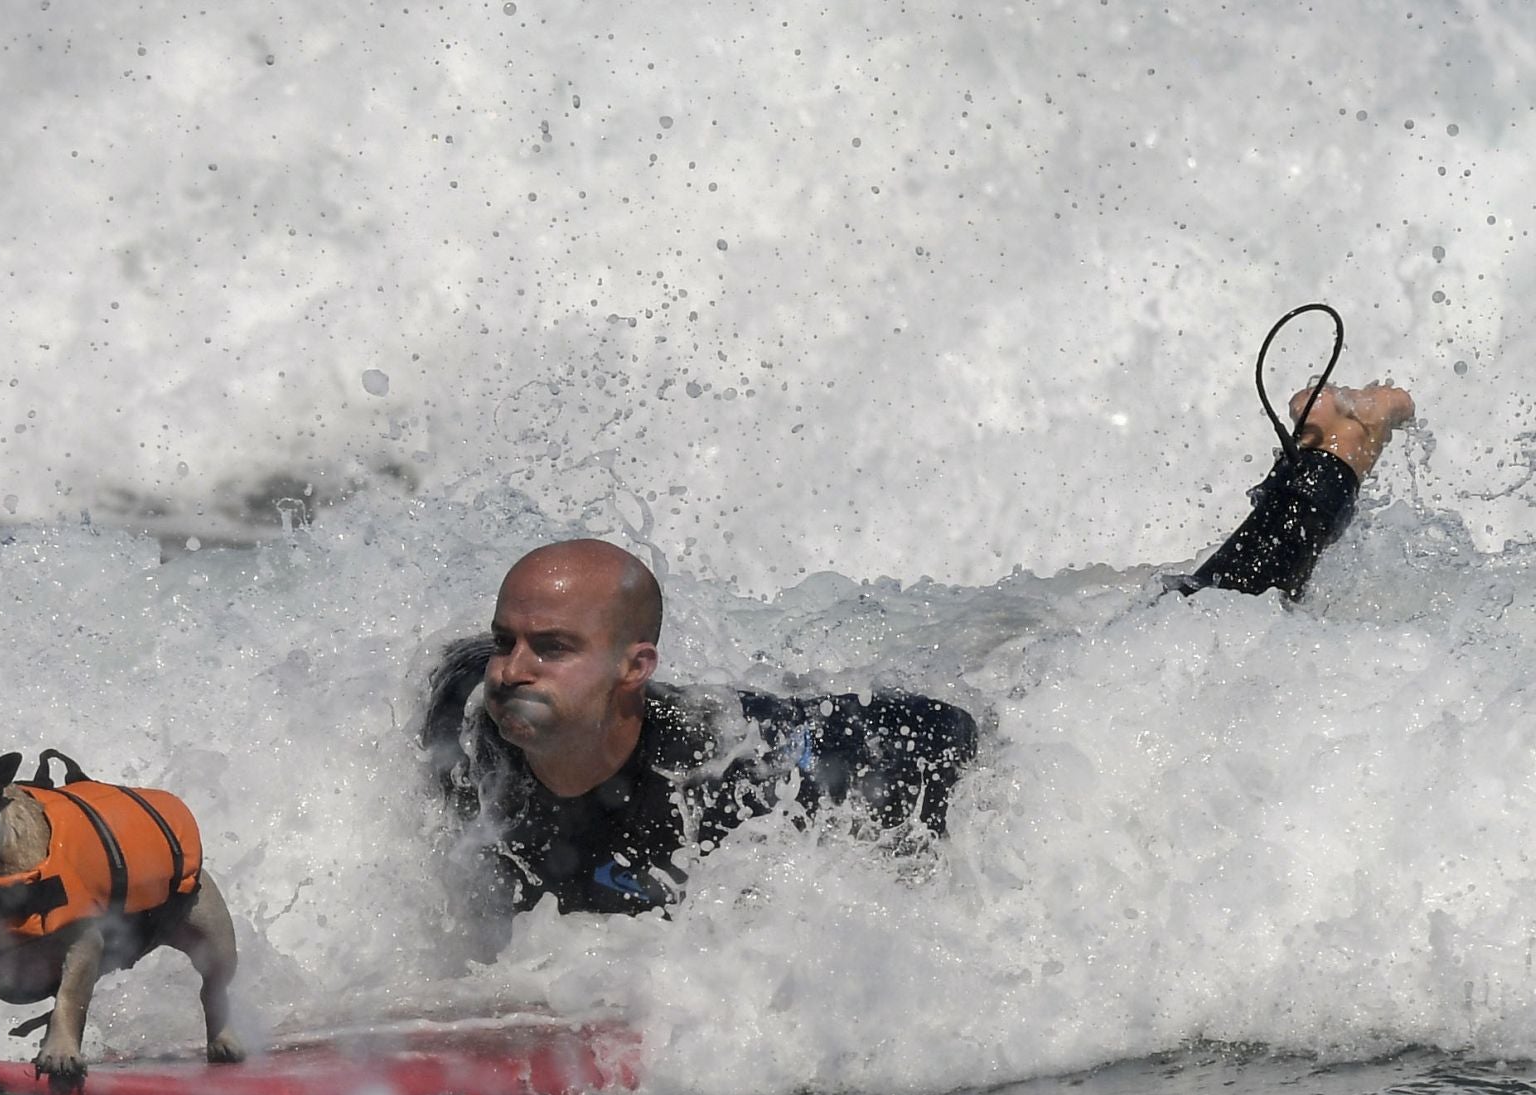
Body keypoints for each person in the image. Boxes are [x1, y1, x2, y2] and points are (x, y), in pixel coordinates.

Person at [421, 382, 1415, 920]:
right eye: (510, 641)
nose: (514, 668)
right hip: (817, 709)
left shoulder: (732, 784)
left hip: (919, 739)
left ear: (635, 668)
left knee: (1183, 645)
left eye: (551, 648)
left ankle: (1328, 458)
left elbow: (878, 882)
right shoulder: (470, 713)